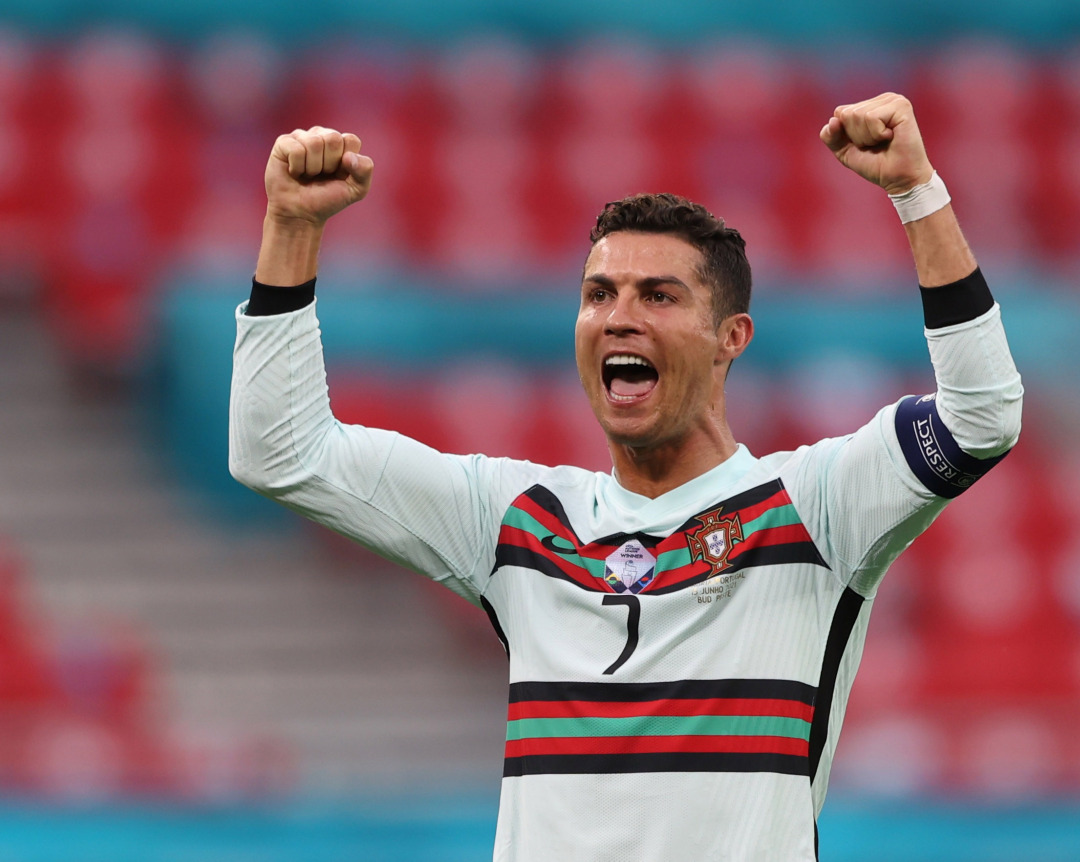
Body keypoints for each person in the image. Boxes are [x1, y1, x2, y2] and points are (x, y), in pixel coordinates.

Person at [230, 92, 1022, 861]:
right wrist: (292, 230)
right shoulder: (516, 522)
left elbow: (983, 416)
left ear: (730, 338)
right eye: (598, 294)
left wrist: (918, 194)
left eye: (659, 295)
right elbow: (279, 452)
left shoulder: (817, 506)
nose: (619, 317)